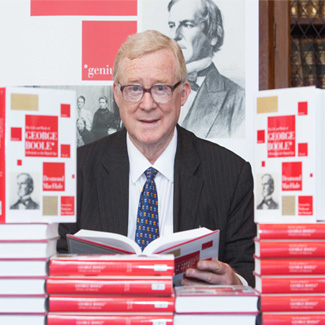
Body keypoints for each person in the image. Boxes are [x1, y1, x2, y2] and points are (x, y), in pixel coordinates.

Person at [57, 30, 255, 287]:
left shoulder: (230, 174)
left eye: (161, 88)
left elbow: (248, 269)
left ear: (183, 93)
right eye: (134, 89)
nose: (147, 104)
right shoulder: (76, 171)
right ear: (117, 94)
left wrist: (235, 282)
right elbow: (56, 260)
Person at [167, 0, 245, 138]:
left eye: (187, 25)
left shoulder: (239, 99)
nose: (174, 35)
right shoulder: (154, 88)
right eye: (172, 25)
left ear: (213, 36)